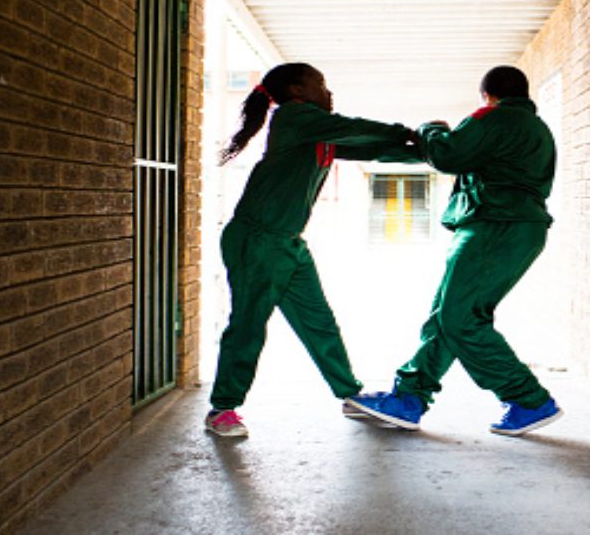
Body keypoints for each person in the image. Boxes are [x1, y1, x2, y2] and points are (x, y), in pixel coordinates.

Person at [346, 65, 562, 436]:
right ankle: (409, 398)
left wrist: (433, 129)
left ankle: (528, 398)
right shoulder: (537, 129)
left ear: (487, 95)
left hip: (495, 227)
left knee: (460, 318)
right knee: (448, 314)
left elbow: (448, 155)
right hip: (512, 228)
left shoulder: (494, 118)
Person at [206, 62, 417, 437]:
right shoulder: (294, 118)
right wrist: (409, 132)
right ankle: (222, 408)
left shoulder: (317, 133)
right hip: (256, 239)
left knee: (319, 321)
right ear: (296, 92)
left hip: (287, 242)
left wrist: (432, 150)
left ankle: (350, 395)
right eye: (320, 84)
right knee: (249, 324)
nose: (328, 92)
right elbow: (356, 128)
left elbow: (372, 147)